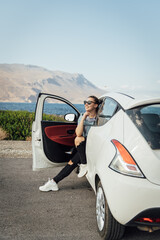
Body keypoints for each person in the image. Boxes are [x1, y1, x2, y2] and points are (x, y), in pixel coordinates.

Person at [39, 96, 100, 192]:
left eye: (89, 102)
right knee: (72, 160)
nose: (86, 104)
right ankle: (54, 182)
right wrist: (84, 117)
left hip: (94, 145)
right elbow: (78, 133)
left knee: (77, 141)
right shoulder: (83, 116)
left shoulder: (100, 118)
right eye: (85, 102)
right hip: (83, 146)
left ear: (96, 105)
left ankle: (55, 181)